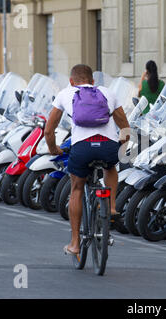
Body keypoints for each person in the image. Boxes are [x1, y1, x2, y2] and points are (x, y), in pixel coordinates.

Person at [45, 64, 130, 256]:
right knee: (110, 168)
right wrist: (122, 147)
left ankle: (75, 243)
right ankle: (112, 206)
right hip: (108, 147)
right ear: (93, 82)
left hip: (82, 148)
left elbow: (48, 130)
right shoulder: (108, 92)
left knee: (76, 189)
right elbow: (124, 125)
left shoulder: (65, 94)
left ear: (71, 81)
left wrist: (53, 150)